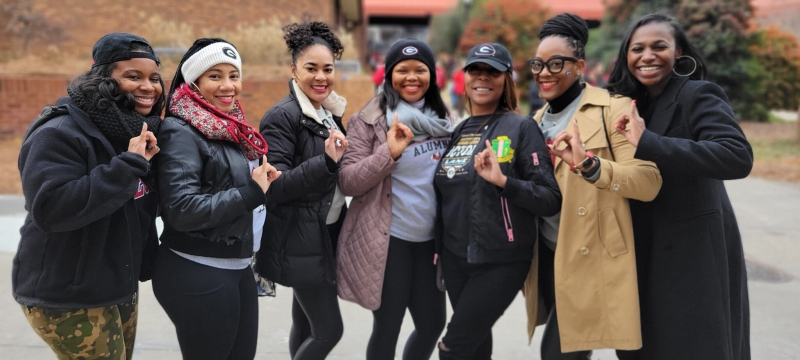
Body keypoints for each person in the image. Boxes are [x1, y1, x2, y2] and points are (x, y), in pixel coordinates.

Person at [606, 14, 753, 360]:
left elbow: (737, 156)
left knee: (692, 345)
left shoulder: (698, 94)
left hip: (693, 253)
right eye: (637, 48)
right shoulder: (625, 104)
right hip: (639, 247)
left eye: (660, 46)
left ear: (679, 52)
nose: (647, 56)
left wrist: (650, 142)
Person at [14, 32, 164, 359]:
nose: (148, 86)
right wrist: (129, 165)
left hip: (116, 283)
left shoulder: (134, 132)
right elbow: (51, 208)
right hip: (69, 295)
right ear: (104, 79)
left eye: (154, 78)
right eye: (132, 76)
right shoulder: (59, 132)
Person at [526, 13, 663, 359]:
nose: (544, 73)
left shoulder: (612, 108)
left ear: (580, 65)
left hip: (594, 254)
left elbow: (648, 182)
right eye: (538, 64)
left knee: (563, 352)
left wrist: (590, 165)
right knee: (568, 347)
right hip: (549, 253)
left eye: (556, 63)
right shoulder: (534, 122)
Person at [434, 42, 562, 360]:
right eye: (475, 69)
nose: (483, 77)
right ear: (464, 78)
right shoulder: (460, 130)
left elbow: (549, 198)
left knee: (454, 346)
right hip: (454, 259)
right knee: (476, 344)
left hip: (500, 261)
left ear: (506, 79)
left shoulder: (521, 127)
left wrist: (504, 183)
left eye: (493, 71)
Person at [153, 38, 278, 359]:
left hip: (236, 267)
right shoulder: (180, 130)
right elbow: (182, 209)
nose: (228, 86)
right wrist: (251, 192)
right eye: (215, 76)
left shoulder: (229, 126)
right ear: (194, 82)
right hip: (198, 269)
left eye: (233, 75)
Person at [337, 38, 453, 360]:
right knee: (388, 326)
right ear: (389, 75)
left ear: (432, 75)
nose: (411, 77)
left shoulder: (444, 120)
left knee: (432, 324)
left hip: (431, 242)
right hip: (390, 242)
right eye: (402, 70)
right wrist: (388, 153)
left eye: (420, 70)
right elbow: (348, 181)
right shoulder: (370, 119)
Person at [255, 22, 349, 360]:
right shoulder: (283, 116)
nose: (321, 76)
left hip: (323, 232)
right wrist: (325, 161)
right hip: (300, 236)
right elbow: (275, 186)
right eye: (311, 68)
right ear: (294, 70)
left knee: (307, 323)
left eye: (328, 68)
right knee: (329, 330)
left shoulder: (327, 112)